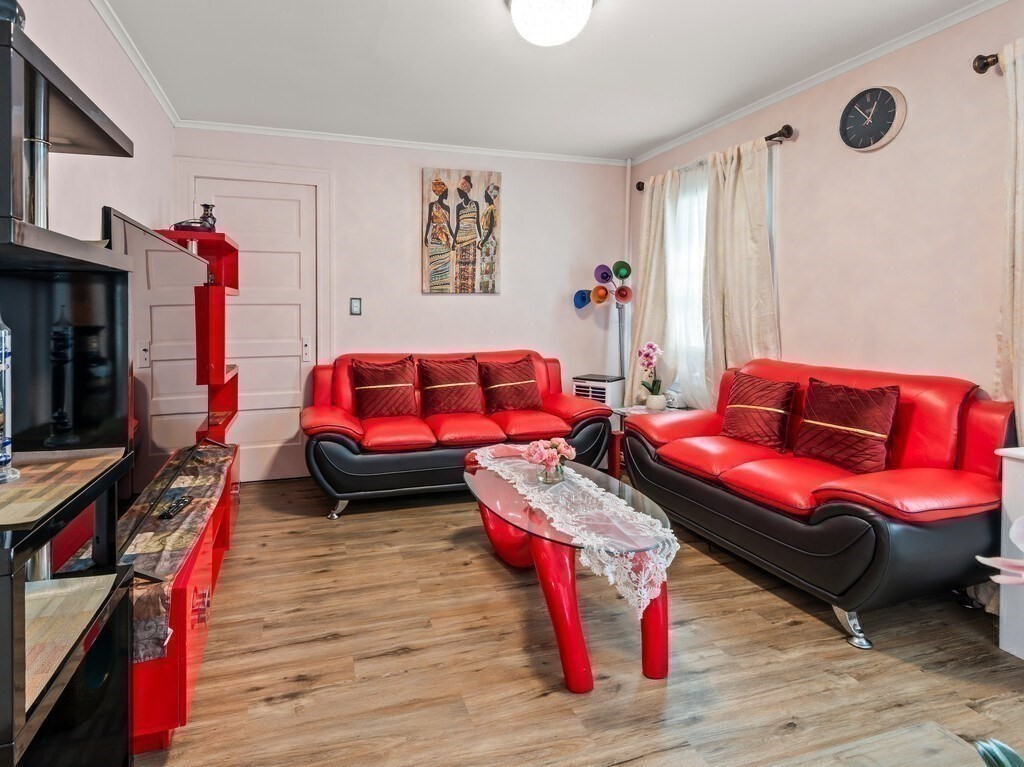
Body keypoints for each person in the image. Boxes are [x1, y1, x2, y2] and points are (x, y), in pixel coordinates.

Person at [424, 178, 455, 292]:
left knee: (445, 268)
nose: (447, 194)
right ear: (441, 192)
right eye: (446, 192)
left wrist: (454, 239)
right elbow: (429, 222)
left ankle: (444, 290)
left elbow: (449, 225)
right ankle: (434, 289)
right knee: (435, 266)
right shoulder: (432, 205)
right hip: (435, 238)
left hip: (446, 241)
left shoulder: (447, 208)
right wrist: (425, 236)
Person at [453, 175, 481, 293]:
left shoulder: (475, 204)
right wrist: (454, 241)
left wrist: (481, 239)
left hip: (471, 241)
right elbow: (457, 225)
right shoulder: (458, 206)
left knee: (470, 268)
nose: (459, 194)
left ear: (465, 190)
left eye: (460, 191)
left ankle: (469, 292)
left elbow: (477, 223)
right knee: (460, 269)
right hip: (460, 241)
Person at [479, 182, 500, 293]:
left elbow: (490, 228)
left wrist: (483, 242)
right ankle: (486, 289)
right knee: (485, 267)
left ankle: (488, 289)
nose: (484, 196)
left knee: (488, 267)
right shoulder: (489, 209)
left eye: (486, 194)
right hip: (487, 239)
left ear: (490, 196)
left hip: (489, 240)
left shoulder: (492, 209)